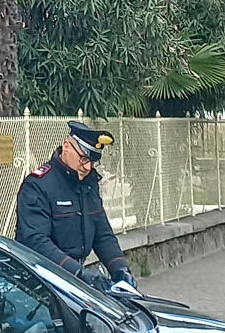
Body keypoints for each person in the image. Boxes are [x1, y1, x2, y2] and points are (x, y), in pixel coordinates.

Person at [15, 121, 136, 290]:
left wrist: (120, 269)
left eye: (93, 161)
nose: (88, 167)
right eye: (84, 159)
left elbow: (102, 234)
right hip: (40, 280)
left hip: (74, 279)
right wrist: (78, 274)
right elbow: (36, 241)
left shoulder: (88, 183)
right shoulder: (37, 185)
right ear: (66, 147)